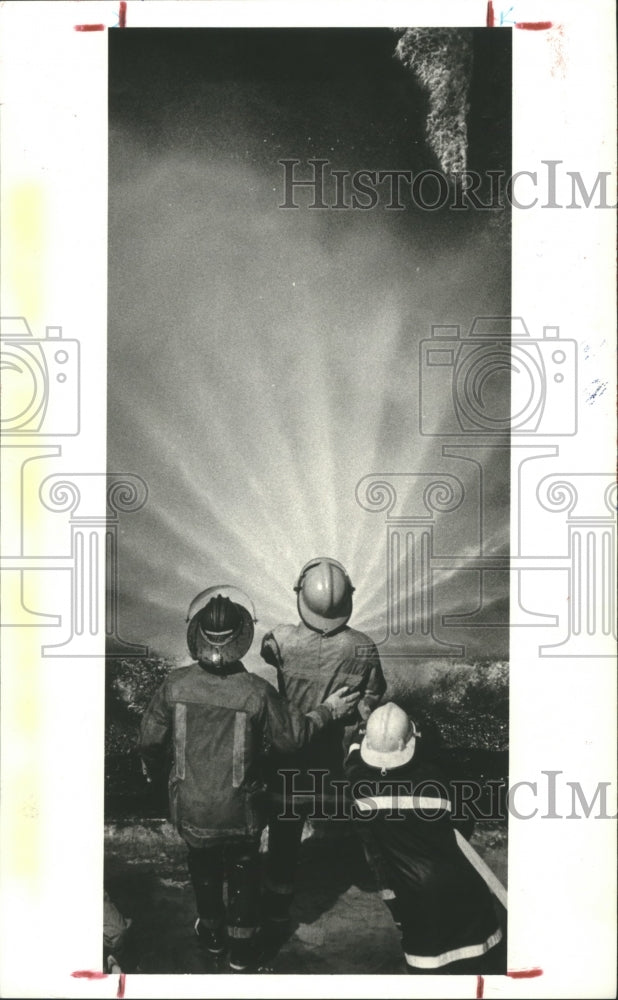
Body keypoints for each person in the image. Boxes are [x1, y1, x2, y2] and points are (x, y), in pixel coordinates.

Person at [138, 585, 360, 972]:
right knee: (243, 867)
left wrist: (158, 777)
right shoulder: (257, 692)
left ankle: (211, 935)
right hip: (239, 813)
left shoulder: (174, 685)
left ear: (197, 635)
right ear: (241, 638)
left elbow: (150, 743)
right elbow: (293, 739)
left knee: (202, 863)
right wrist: (328, 709)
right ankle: (242, 953)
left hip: (191, 809)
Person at [260, 557, 386, 920]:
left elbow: (266, 651)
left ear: (301, 595)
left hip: (291, 755)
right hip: (335, 760)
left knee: (285, 831)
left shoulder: (280, 639)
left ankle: (279, 901)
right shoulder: (364, 646)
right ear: (348, 599)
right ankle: (369, 881)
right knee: (351, 820)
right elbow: (373, 696)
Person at [344, 702, 506, 975]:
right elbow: (463, 825)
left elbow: (351, 757)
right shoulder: (438, 782)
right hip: (471, 902)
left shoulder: (360, 789)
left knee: (427, 981)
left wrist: (361, 729)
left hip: (419, 911)